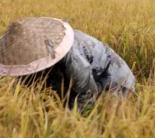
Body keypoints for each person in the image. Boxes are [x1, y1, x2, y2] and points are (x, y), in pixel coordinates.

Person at [0, 17, 136, 109]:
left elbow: (87, 94)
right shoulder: (25, 58)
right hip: (73, 81)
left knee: (103, 115)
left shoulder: (72, 58)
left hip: (112, 79)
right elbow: (27, 89)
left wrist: (71, 123)